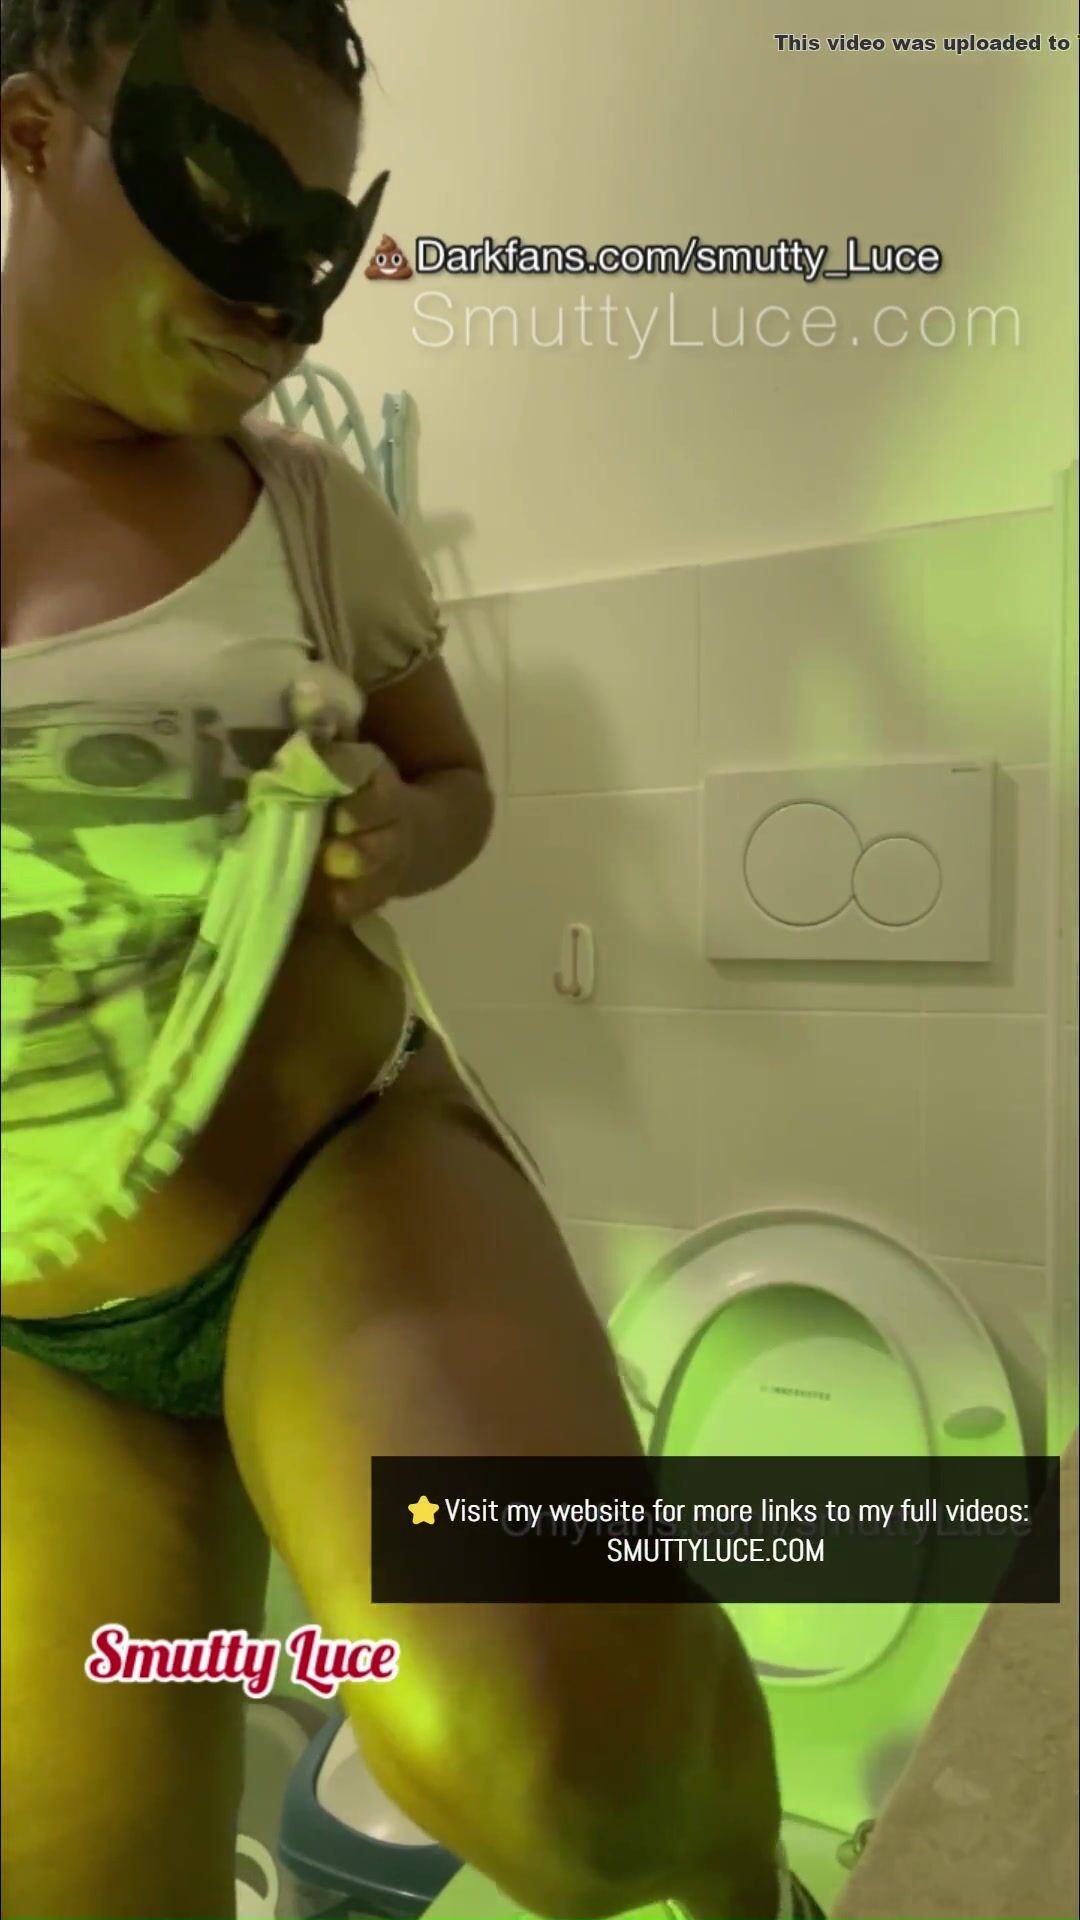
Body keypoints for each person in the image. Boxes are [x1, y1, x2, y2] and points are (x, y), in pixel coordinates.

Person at [0, 4, 823, 1915]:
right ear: (32, 135)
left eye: (321, 242)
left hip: (330, 1187)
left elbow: (456, 784)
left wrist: (399, 826)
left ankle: (755, 1895)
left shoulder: (302, 513)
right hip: (34, 1334)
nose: (279, 305)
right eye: (228, 201)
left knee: (564, 1752)